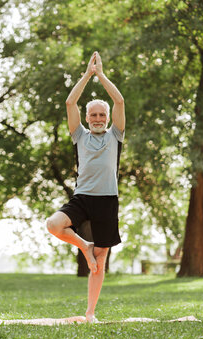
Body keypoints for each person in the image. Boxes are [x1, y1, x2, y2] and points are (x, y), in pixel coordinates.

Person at [46, 51, 125, 323]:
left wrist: (101, 75)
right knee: (54, 224)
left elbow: (119, 100)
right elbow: (70, 102)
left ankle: (90, 313)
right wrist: (87, 74)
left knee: (100, 260)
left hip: (107, 200)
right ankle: (83, 245)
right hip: (82, 197)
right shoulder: (79, 135)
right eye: (93, 114)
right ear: (87, 118)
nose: (98, 118)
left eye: (102, 114)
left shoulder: (116, 134)